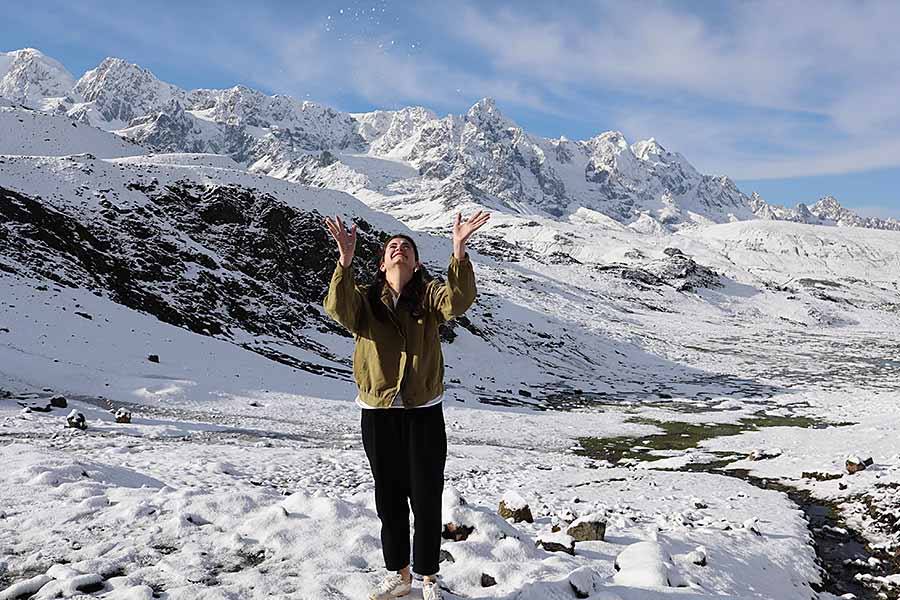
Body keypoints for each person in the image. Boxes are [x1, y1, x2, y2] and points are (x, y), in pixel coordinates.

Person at [323, 211, 490, 600]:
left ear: (416, 264)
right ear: (383, 264)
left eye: (407, 248)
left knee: (427, 496)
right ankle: (399, 575)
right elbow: (338, 308)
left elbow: (459, 300)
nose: (399, 249)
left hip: (423, 411)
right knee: (389, 498)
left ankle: (429, 577)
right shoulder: (364, 299)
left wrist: (459, 251)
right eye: (392, 247)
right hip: (378, 412)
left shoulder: (429, 295)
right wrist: (344, 262)